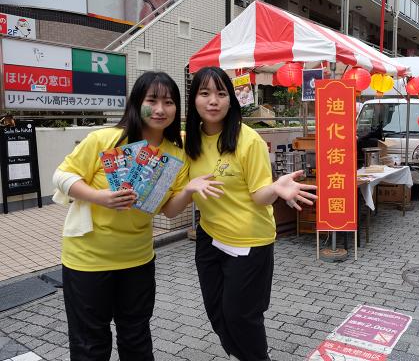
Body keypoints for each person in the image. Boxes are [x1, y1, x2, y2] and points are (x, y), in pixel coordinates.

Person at [53, 71, 222, 360]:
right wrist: (101, 198)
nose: (159, 109)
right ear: (136, 103)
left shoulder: (176, 154)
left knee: (136, 336)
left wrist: (189, 189)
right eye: (151, 100)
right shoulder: (106, 138)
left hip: (138, 260)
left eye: (168, 102)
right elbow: (62, 175)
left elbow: (169, 211)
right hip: (87, 260)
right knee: (89, 343)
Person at [182, 66, 317, 361]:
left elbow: (259, 195)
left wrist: (278, 188)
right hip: (210, 238)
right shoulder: (188, 141)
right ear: (194, 100)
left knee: (241, 315)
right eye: (204, 93)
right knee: (217, 313)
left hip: (249, 241)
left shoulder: (248, 140)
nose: (213, 101)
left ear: (231, 99)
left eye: (221, 93)